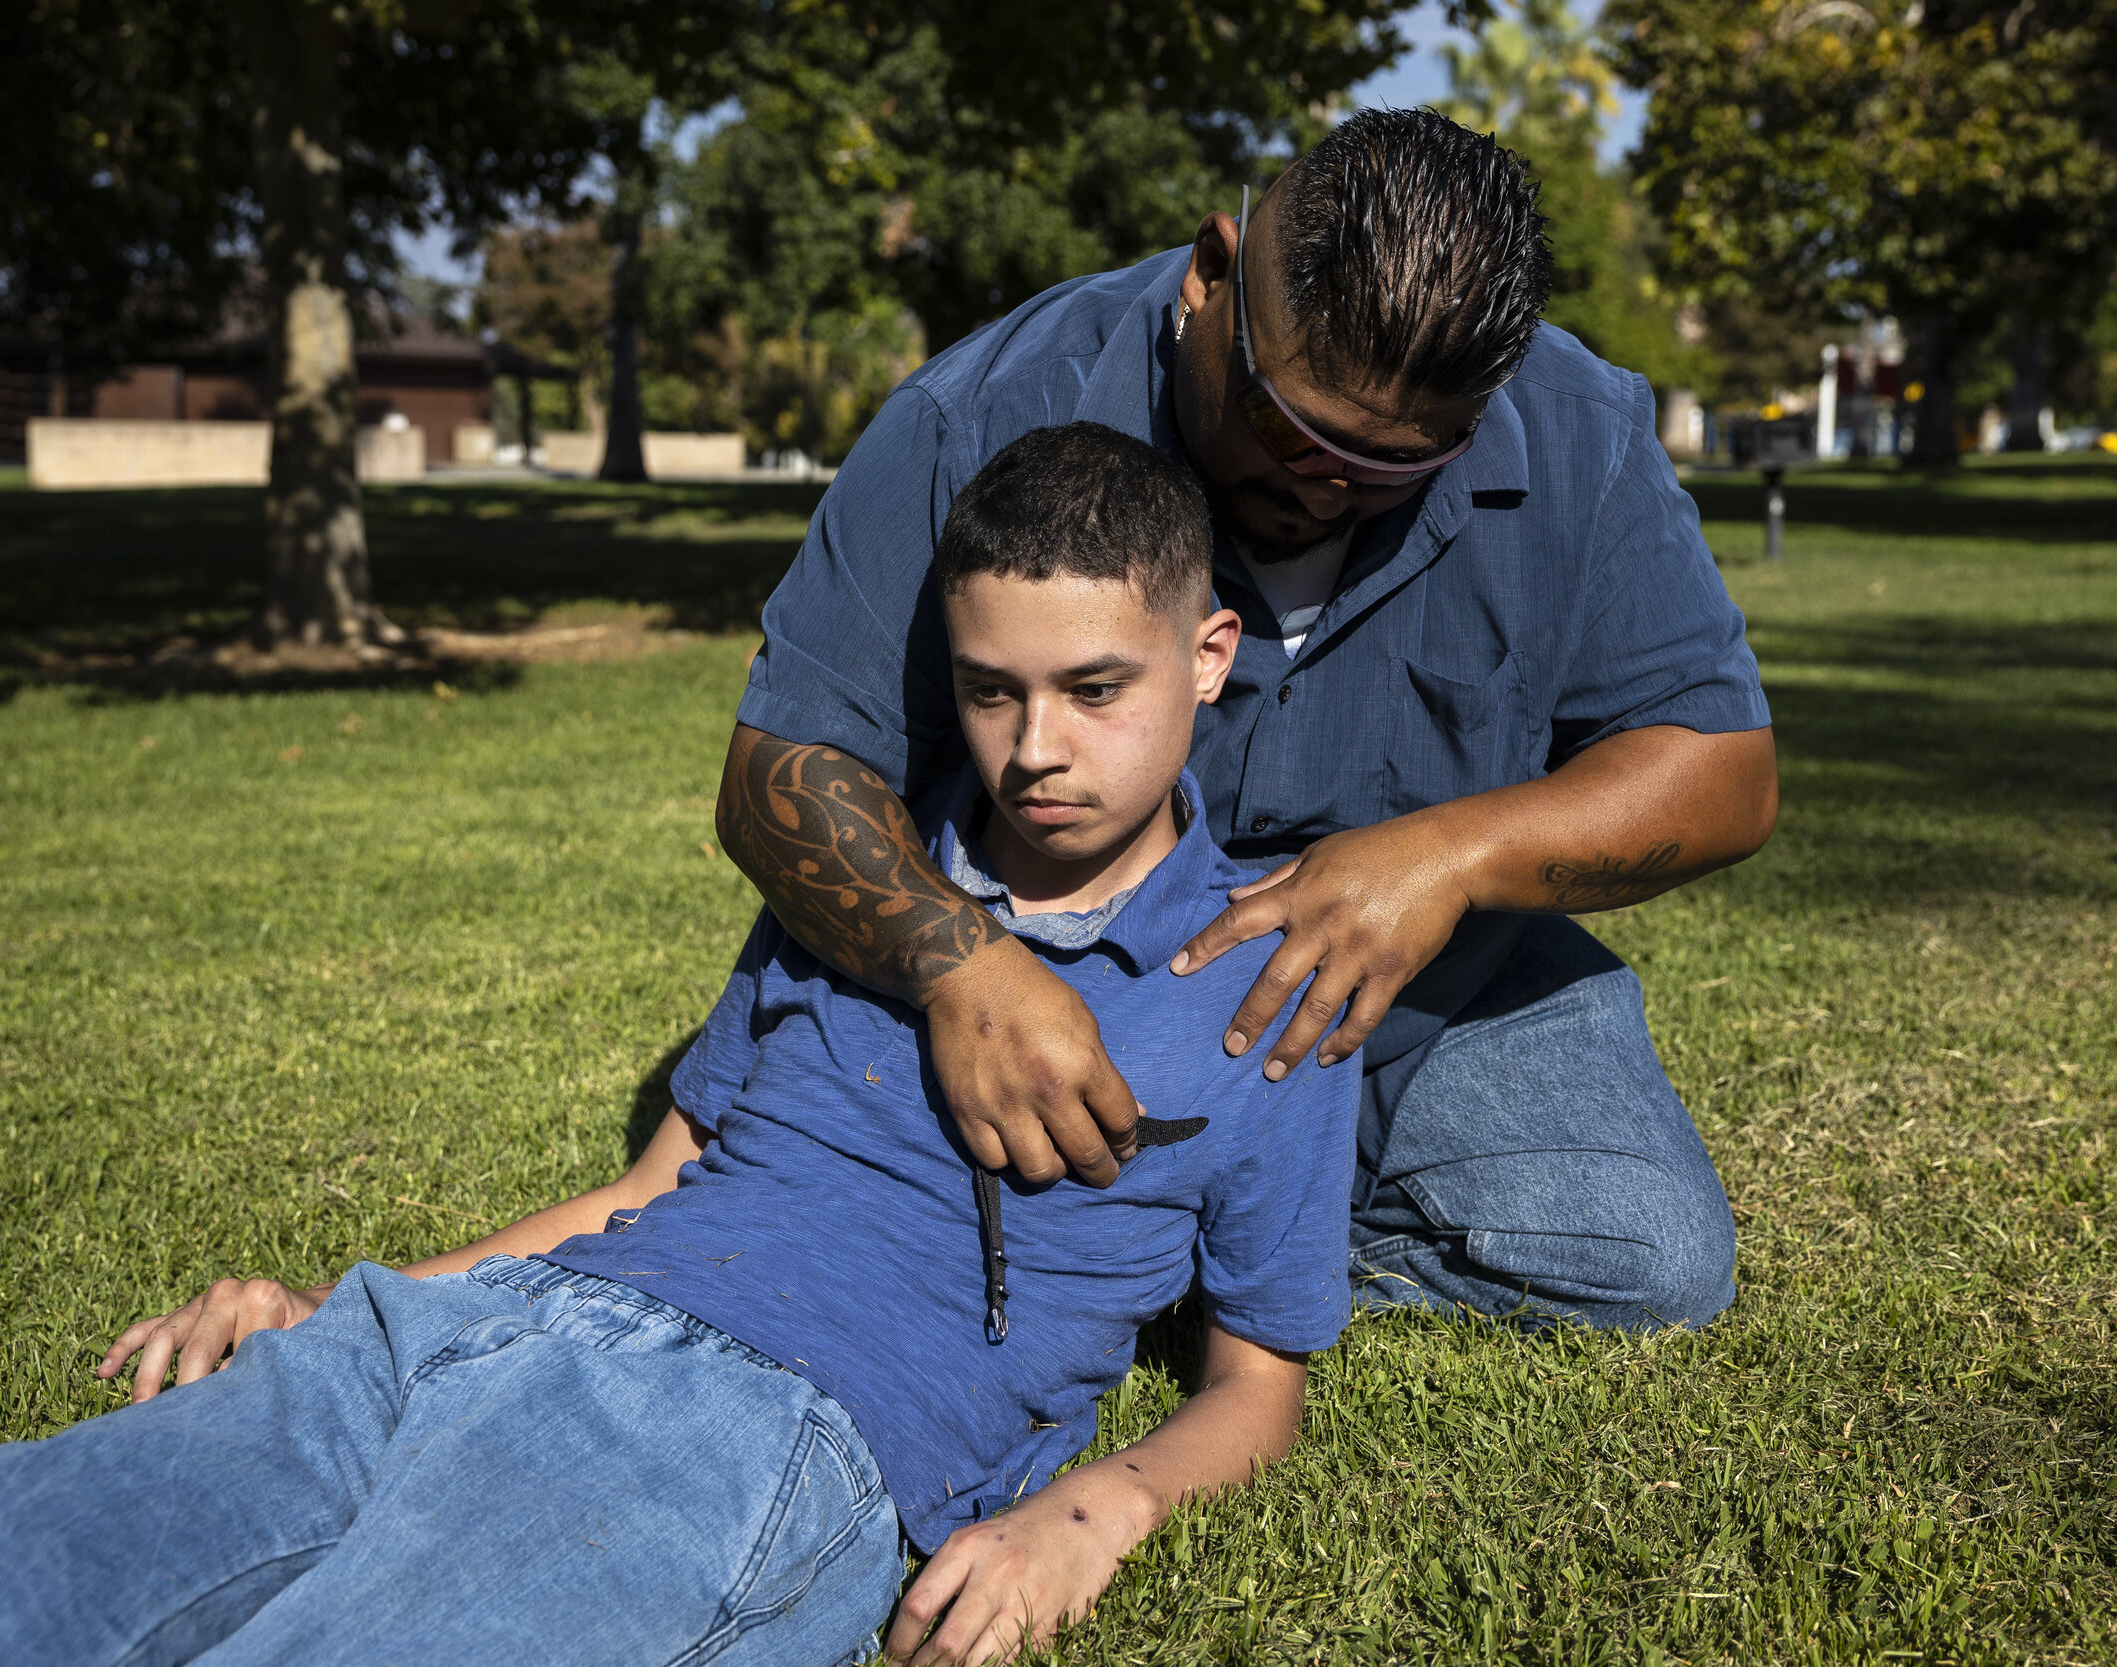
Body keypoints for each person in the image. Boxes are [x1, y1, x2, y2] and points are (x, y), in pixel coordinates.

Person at [0, 426, 1360, 1667]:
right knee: (32, 1555)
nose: (1035, 748)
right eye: (990, 691)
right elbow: (651, 1186)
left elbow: (1255, 1386)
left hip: (755, 1433)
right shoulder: (866, 882)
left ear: (1210, 653)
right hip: (480, 1332)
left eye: (1093, 688)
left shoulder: (1262, 985)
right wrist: (350, 1303)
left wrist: (1089, 1515)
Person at [717, 108, 1776, 1333]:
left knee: (1652, 1255)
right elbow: (780, 765)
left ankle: (1174, 1250)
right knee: (830, 1182)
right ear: (1211, 276)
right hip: (1061, 969)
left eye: (1391, 463)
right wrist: (963, 973)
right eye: (1288, 424)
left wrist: (1448, 857)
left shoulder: (1579, 427)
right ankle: (1127, 1222)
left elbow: (1723, 771)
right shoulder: (985, 410)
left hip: (1419, 995)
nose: (1325, 483)